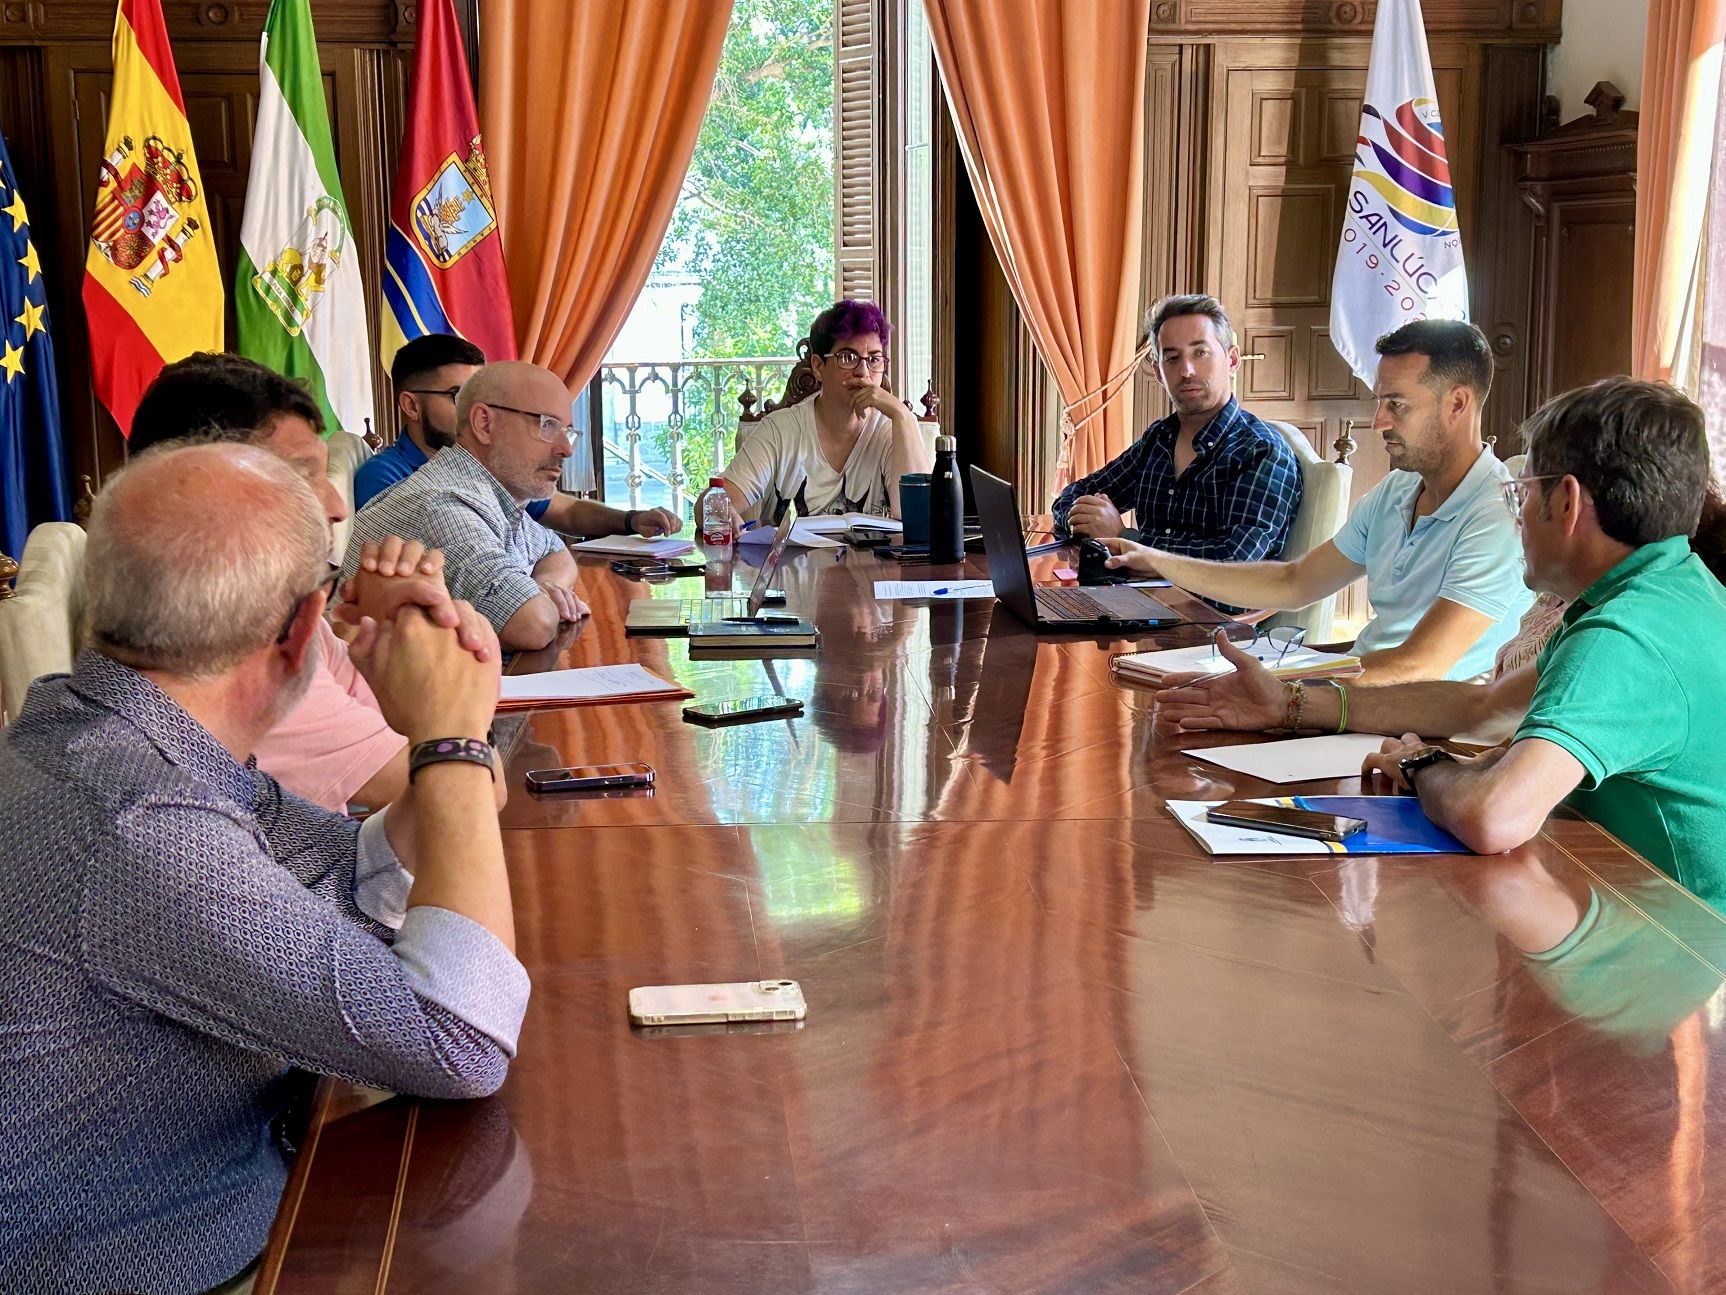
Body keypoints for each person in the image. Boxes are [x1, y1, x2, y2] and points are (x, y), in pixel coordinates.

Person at [0, 443, 528, 1293]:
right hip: (179, 1264)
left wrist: (449, 697)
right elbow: (460, 1036)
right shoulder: (144, 821)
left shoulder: (108, 736)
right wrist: (452, 739)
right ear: (300, 630)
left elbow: (354, 871)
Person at [1166, 379, 1726, 909]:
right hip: (1619, 896)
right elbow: (1483, 708)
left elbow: (1493, 817)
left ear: (1567, 503)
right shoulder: (1676, 587)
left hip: (1681, 948)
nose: (1518, 518)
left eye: (1522, 494)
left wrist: (1422, 765)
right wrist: (1291, 705)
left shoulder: (1623, 637)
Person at [129, 352, 494, 813]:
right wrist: (456, 652)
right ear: (207, 496)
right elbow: (464, 795)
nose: (338, 506)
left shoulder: (288, 613)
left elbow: (408, 737)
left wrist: (395, 634)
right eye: (302, 477)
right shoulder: (236, 650)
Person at [1102, 319, 1533, 683]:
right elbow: (1295, 582)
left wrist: (1284, 688)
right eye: (1380, 401)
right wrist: (1157, 560)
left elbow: (1419, 665)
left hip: (1424, 726)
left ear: (1458, 403)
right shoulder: (1396, 491)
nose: (1378, 421)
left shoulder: (1495, 515)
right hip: (1359, 693)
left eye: (1396, 404)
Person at [342, 360, 593, 651]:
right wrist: (540, 599)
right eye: (547, 425)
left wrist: (548, 585)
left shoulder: (492, 494)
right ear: (484, 424)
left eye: (568, 431)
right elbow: (532, 624)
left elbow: (555, 552)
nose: (567, 448)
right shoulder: (442, 504)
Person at [1052, 294, 1302, 560]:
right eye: (1172, 358)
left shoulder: (1262, 451)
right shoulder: (1159, 438)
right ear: (1159, 373)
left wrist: (1125, 539)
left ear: (1232, 361)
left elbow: (1233, 562)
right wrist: (1083, 519)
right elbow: (1074, 494)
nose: (1186, 370)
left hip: (1204, 603)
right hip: (1132, 592)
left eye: (1200, 353)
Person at [358, 333, 680, 539]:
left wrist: (631, 520)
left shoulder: (486, 469)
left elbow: (565, 511)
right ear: (411, 406)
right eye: (460, 395)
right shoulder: (386, 479)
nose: (475, 409)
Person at [707, 299, 934, 522]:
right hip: (790, 560)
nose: (863, 372)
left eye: (874, 359)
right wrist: (723, 515)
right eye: (848, 357)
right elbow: (710, 506)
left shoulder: (890, 429)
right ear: (817, 367)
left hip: (874, 561)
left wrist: (903, 416)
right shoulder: (780, 430)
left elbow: (920, 517)